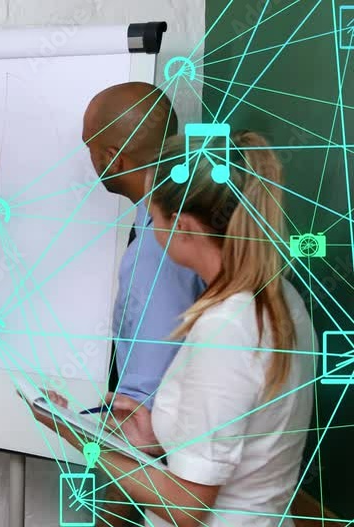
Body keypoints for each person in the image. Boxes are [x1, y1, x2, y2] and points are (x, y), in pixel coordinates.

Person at [32, 130, 315, 527]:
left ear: (183, 226)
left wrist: (81, 437)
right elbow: (240, 433)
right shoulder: (282, 298)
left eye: (155, 217)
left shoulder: (226, 329)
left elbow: (186, 506)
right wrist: (159, 431)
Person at [83, 81, 207, 523]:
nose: (91, 160)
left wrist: (111, 512)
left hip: (159, 464)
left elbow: (144, 401)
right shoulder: (175, 223)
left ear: (113, 155)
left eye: (91, 146)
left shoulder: (159, 245)